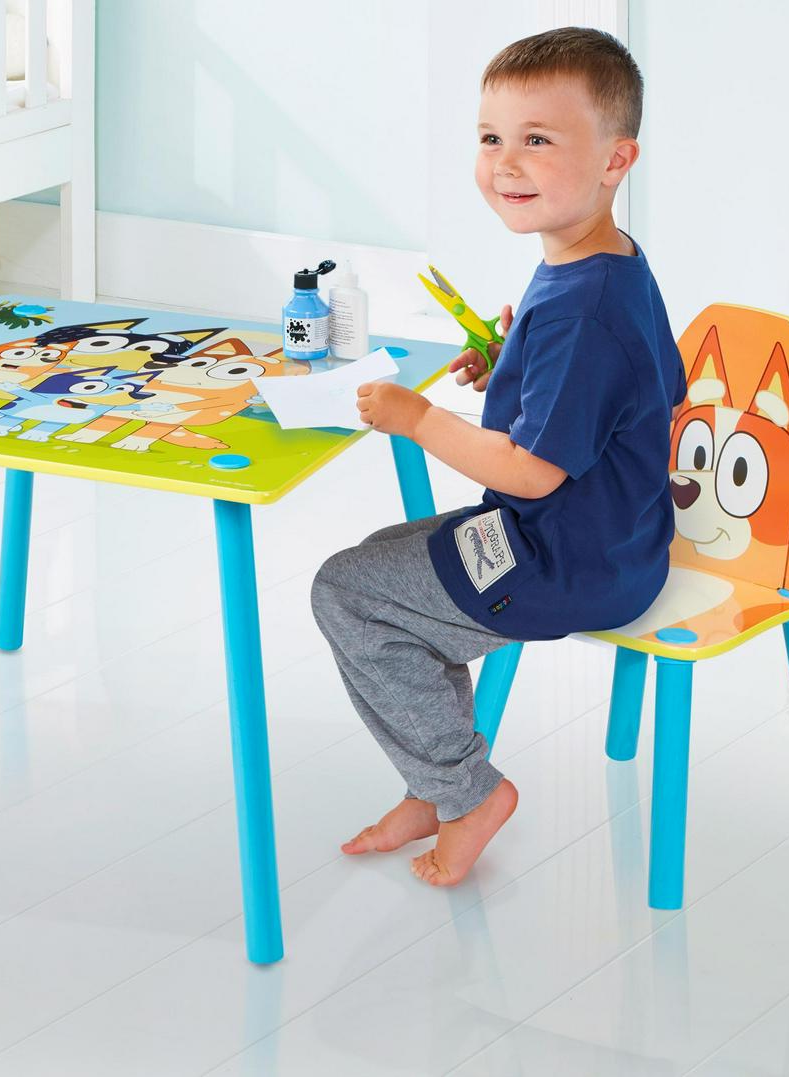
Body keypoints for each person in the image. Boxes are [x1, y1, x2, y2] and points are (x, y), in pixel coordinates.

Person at [311, 26, 686, 887]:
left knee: (347, 592)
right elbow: (644, 392)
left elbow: (528, 471)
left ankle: (466, 791)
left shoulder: (580, 311)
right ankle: (434, 783)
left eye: (537, 140)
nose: (506, 163)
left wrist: (417, 417)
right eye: (491, 138)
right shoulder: (609, 266)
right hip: (615, 543)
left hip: (561, 562)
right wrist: (514, 365)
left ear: (616, 160)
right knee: (380, 565)